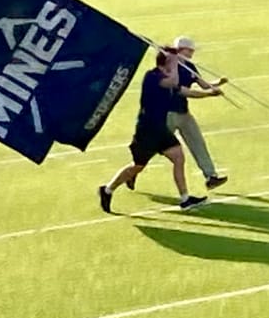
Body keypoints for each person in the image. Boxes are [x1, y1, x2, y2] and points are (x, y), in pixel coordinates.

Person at [97, 50, 205, 213]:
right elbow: (173, 82)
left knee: (178, 157)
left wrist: (209, 93)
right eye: (174, 61)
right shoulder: (153, 77)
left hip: (160, 128)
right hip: (147, 130)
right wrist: (174, 64)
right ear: (166, 62)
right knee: (137, 166)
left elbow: (184, 91)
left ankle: (185, 199)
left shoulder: (167, 78)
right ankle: (107, 190)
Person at [168, 35, 229, 190]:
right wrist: (209, 95)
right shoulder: (170, 67)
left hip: (183, 112)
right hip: (168, 113)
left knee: (197, 142)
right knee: (155, 146)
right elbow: (184, 91)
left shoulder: (190, 66)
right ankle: (134, 169)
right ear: (181, 50)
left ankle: (211, 176)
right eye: (190, 50)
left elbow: (203, 85)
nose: (192, 53)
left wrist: (218, 83)